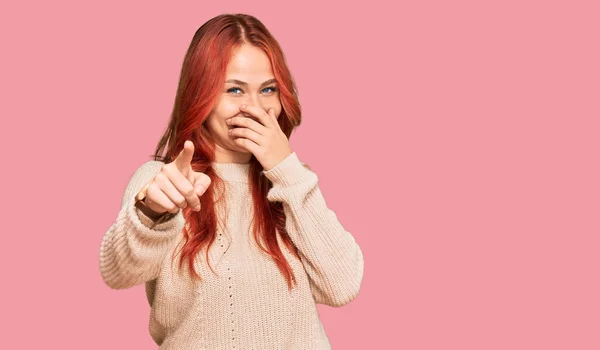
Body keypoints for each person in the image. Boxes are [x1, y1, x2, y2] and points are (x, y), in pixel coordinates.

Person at [99, 13, 364, 349]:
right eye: (235, 90)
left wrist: (286, 168)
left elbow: (341, 286)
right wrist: (151, 212)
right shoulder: (165, 182)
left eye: (268, 89)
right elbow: (118, 273)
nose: (254, 108)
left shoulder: (291, 186)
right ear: (202, 95)